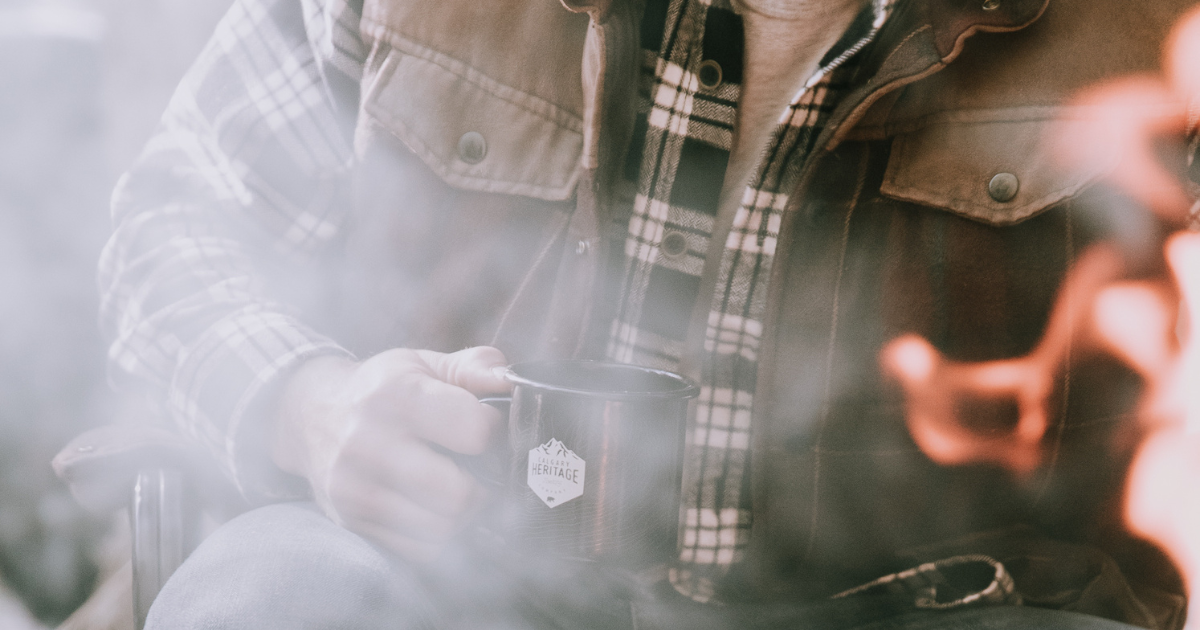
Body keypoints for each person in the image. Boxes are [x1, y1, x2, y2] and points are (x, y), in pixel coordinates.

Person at [97, 0, 1198, 626]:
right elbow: (175, 225)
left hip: (956, 612)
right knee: (282, 593)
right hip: (462, 589)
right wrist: (312, 406)